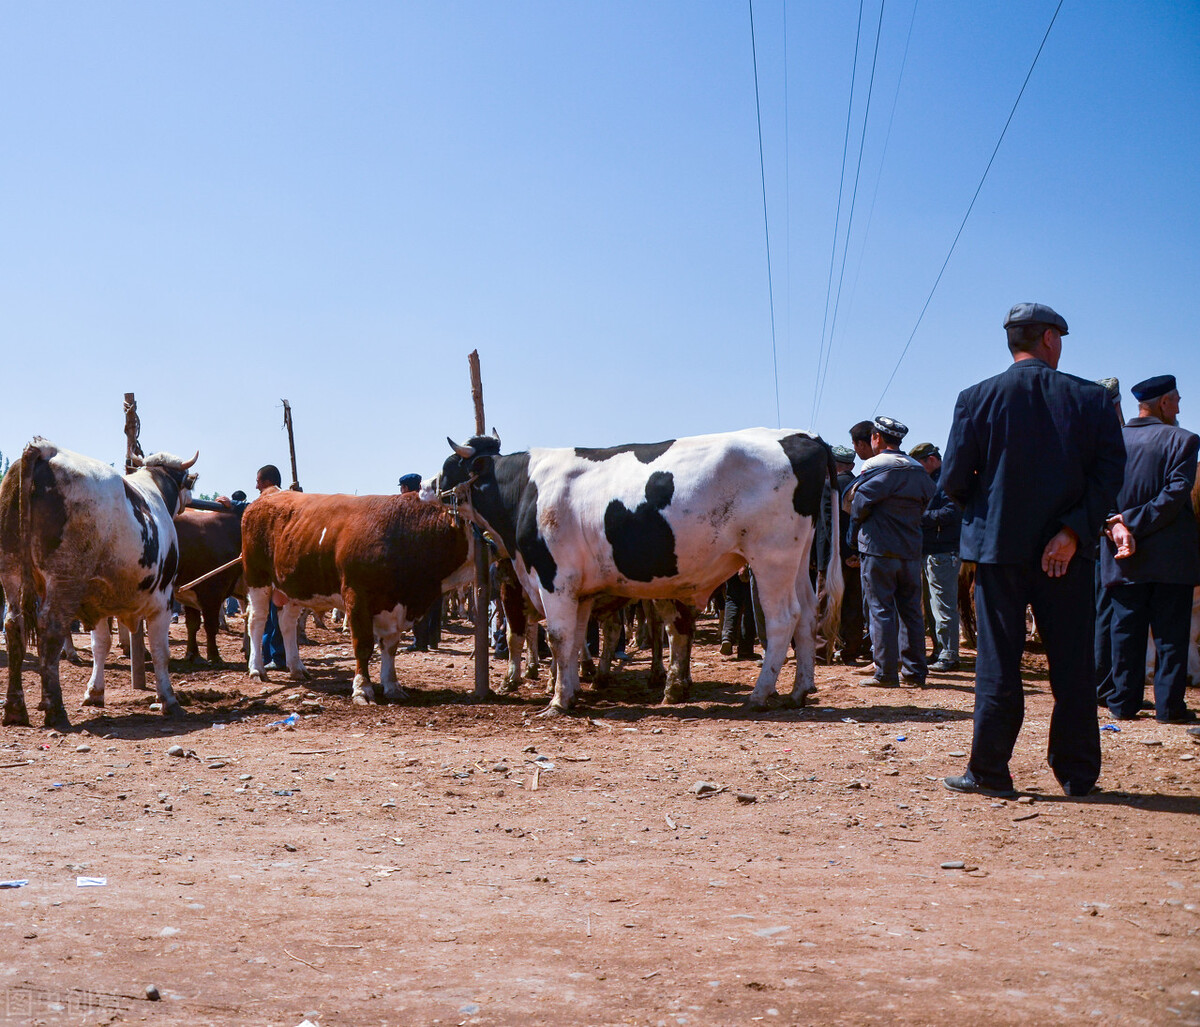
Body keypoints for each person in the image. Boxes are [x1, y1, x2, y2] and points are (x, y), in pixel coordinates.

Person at [941, 302, 1125, 800]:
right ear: (1048, 338)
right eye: (1060, 338)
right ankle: (1078, 775)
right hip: (1067, 555)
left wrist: (991, 518)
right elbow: (1110, 476)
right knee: (1072, 664)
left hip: (999, 553)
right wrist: (1071, 532)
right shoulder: (1090, 399)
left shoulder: (975, 398)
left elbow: (954, 480)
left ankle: (989, 772)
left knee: (998, 662)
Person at [1101, 375, 1199, 724]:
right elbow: (1174, 495)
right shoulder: (1184, 441)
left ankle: (1123, 703)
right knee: (1171, 635)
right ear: (1163, 404)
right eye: (1177, 400)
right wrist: (1132, 522)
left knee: (1125, 633)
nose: (1180, 407)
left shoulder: (1110, 441)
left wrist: (1118, 525)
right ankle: (1169, 708)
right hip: (1170, 560)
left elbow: (1099, 493)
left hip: (1121, 558)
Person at [844, 417, 936, 686]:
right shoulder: (918, 472)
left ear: (876, 439)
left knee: (881, 610)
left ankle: (885, 673)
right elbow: (928, 500)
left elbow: (857, 505)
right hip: (910, 551)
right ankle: (915, 671)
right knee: (911, 612)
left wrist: (853, 540)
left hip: (878, 551)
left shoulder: (877, 471)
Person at [220, 465, 288, 670]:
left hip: (278, 566)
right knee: (267, 613)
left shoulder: (279, 501)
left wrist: (233, 504)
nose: (256, 485)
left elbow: (253, 507)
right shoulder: (275, 501)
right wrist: (233, 504)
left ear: (267, 483)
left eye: (258, 481)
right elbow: (251, 507)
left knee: (277, 612)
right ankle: (269, 657)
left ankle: (277, 657)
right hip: (268, 567)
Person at [911, 442, 962, 672]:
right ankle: (939, 650)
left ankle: (949, 655)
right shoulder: (934, 480)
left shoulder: (948, 480)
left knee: (943, 606)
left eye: (921, 462)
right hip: (932, 550)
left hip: (943, 551)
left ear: (932, 459)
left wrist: (919, 517)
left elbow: (952, 513)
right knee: (934, 606)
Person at [1093, 378, 1125, 708]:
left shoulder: (1077, 434)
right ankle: (1103, 686)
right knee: (1106, 613)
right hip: (1107, 534)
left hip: (1087, 534)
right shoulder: (1112, 436)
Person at [399, 472, 442, 652]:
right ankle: (433, 639)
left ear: (406, 488)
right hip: (437, 559)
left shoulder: (408, 505)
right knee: (435, 600)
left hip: (418, 560)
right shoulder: (432, 503)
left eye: (402, 488)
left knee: (420, 601)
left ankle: (420, 641)